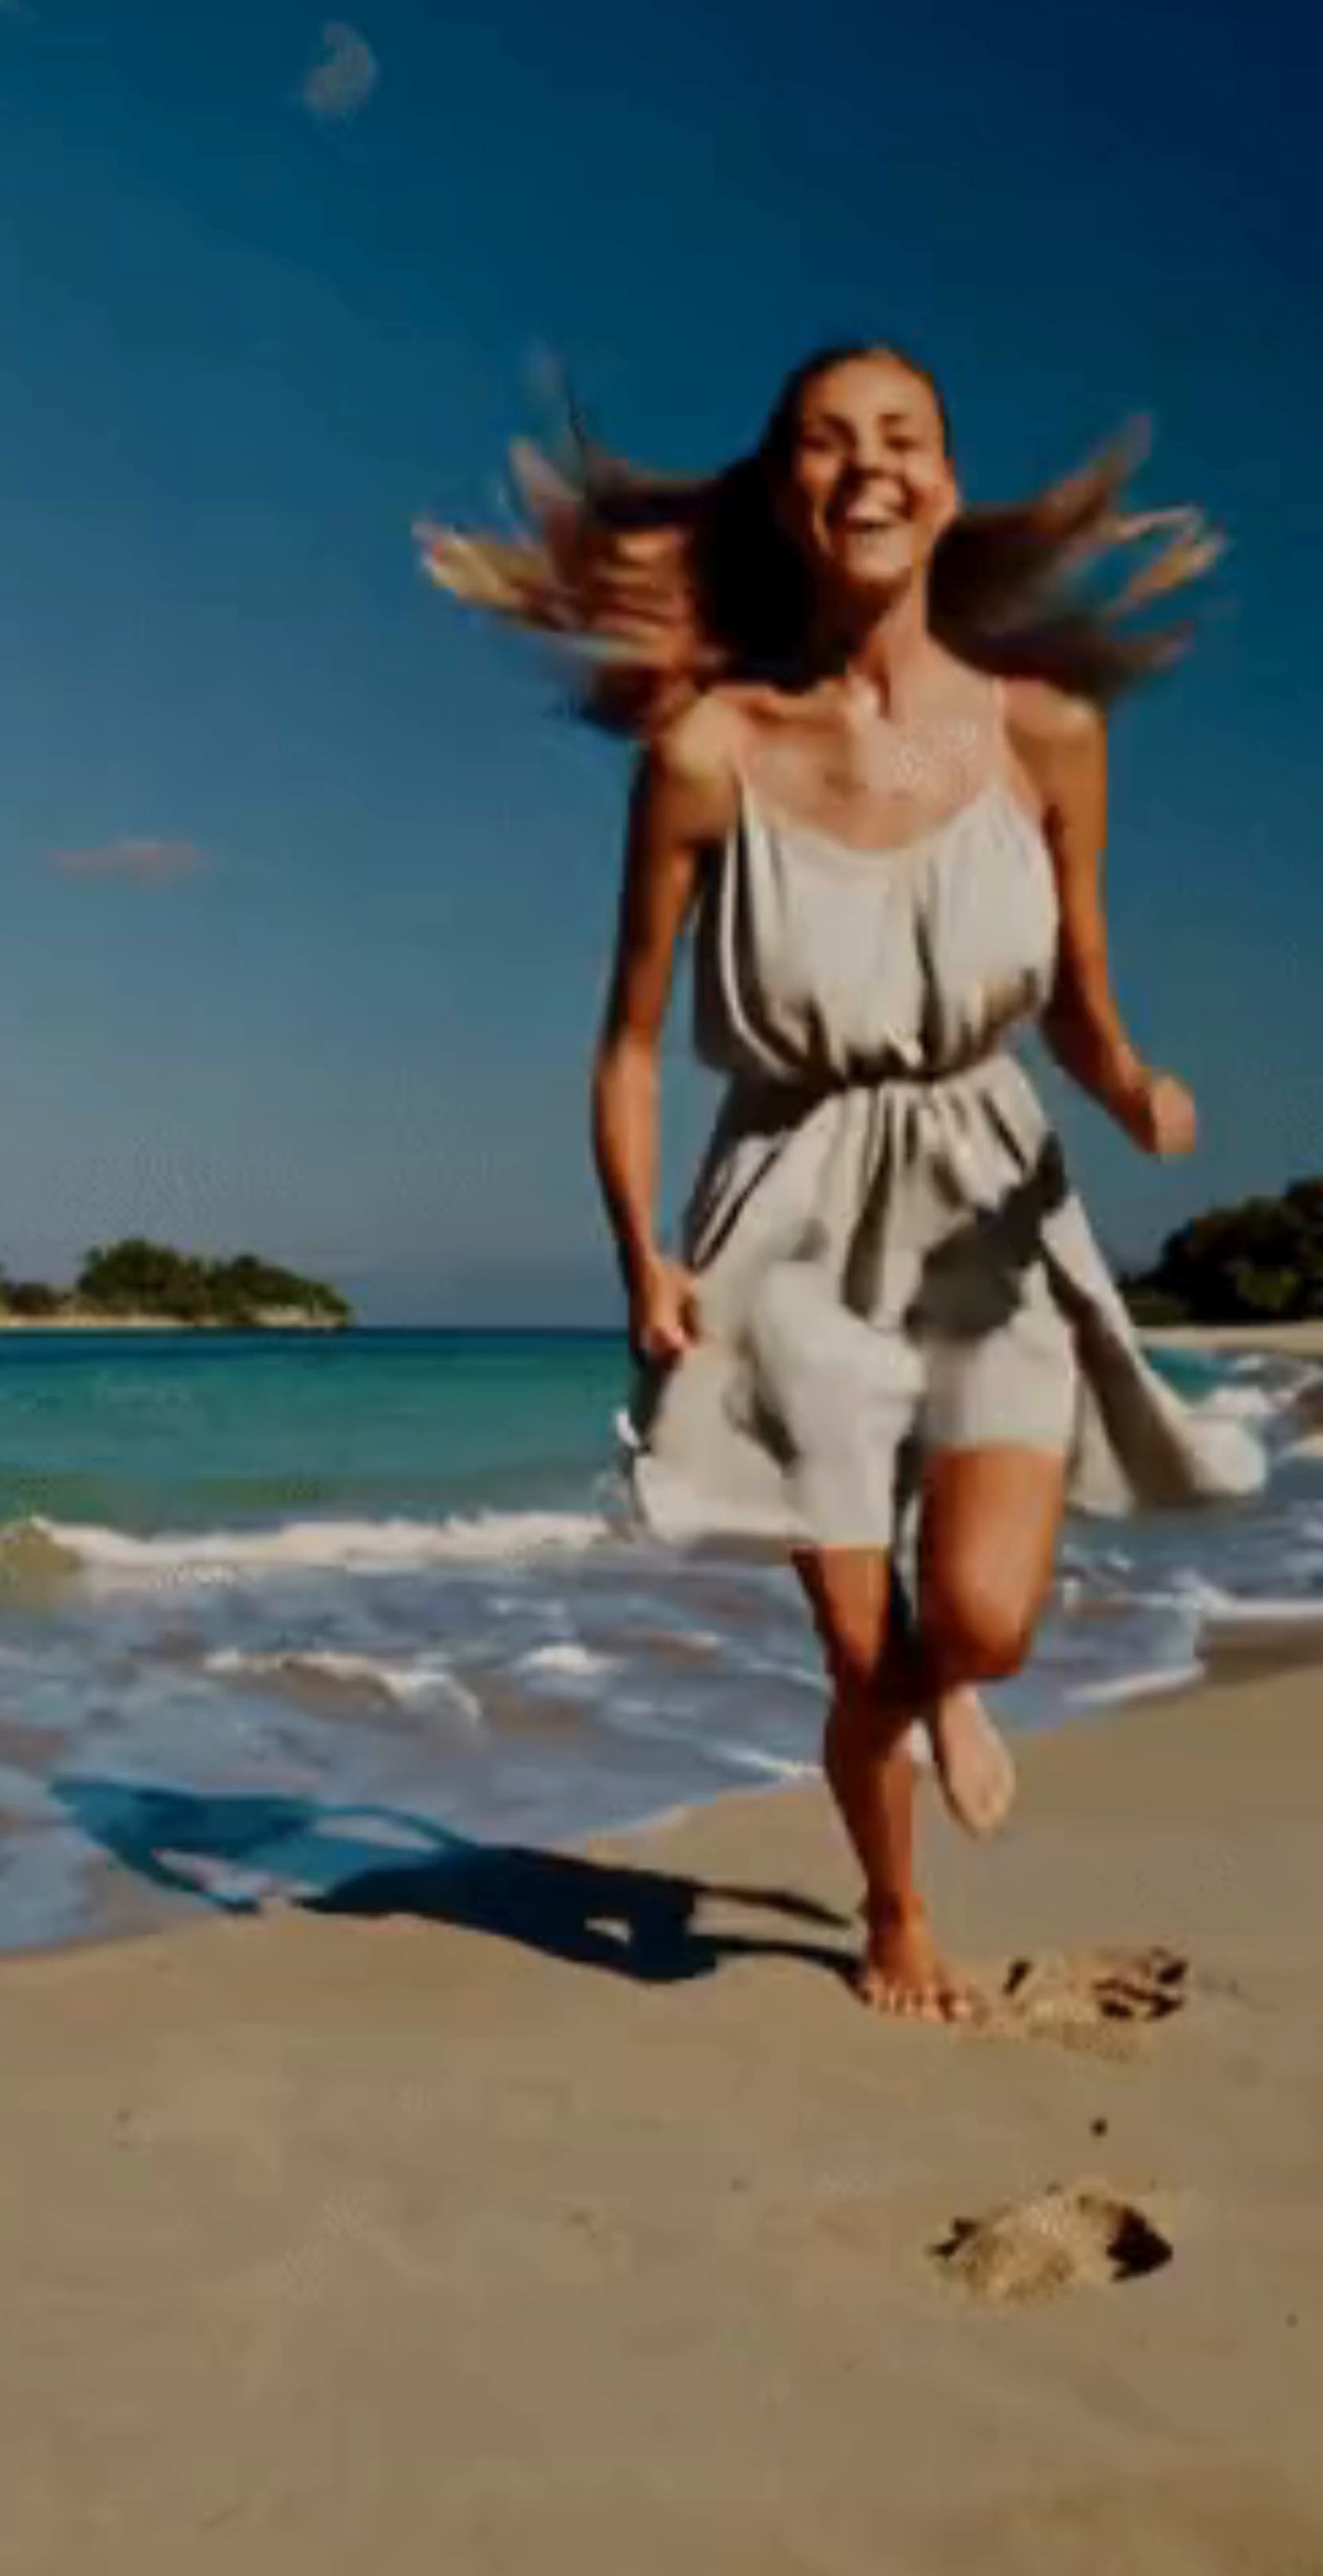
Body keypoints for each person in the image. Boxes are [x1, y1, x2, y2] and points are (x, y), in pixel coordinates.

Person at [420, 344, 1264, 2023]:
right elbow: (632, 1044)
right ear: (784, 497)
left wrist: (1138, 1090)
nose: (866, 465)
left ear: (948, 486)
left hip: (988, 1182)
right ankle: (894, 1913)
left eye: (901, 439)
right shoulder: (709, 753)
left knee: (986, 1620)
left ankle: (959, 1686)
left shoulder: (1049, 737)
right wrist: (641, 1261)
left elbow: (1084, 1012)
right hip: (787, 1203)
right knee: (855, 1650)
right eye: (825, 442)